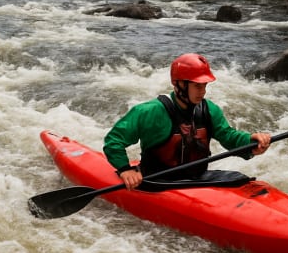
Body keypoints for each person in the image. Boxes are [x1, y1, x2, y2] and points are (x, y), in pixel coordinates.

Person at [103, 53, 272, 190]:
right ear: (179, 84)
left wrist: (250, 143)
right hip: (158, 181)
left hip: (196, 179)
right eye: (198, 86)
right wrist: (125, 169)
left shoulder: (209, 109)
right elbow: (114, 140)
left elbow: (228, 136)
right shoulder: (150, 111)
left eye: (205, 86)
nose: (203, 91)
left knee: (239, 178)